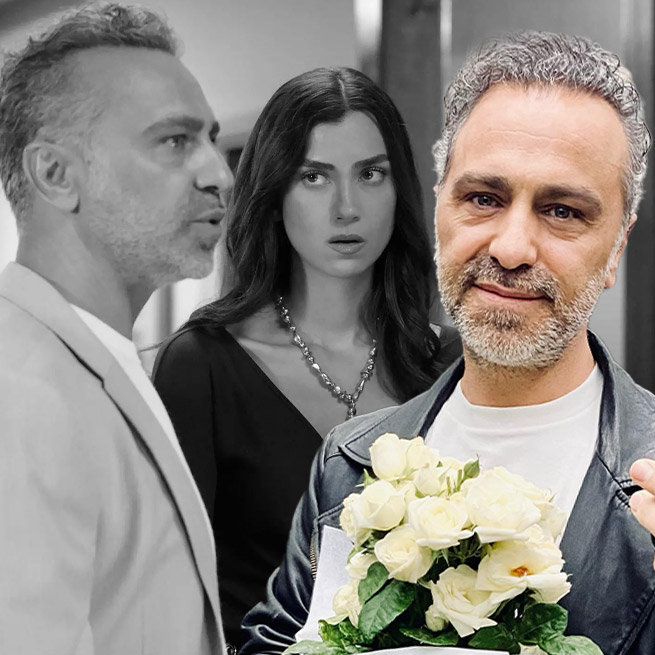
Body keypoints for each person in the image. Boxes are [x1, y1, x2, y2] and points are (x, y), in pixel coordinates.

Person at [240, 32, 655, 655]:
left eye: (563, 211)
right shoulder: (348, 462)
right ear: (439, 209)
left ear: (617, 246)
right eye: (483, 198)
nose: (511, 248)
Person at [152, 66, 462, 650]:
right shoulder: (202, 366)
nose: (347, 208)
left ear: (399, 189)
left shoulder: (452, 363)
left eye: (371, 174)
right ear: (273, 196)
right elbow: (164, 594)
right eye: (314, 177)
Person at [0, 4, 233, 654]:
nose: (219, 174)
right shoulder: (20, 390)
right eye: (174, 141)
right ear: (56, 175)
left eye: (211, 139)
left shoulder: (90, 359)